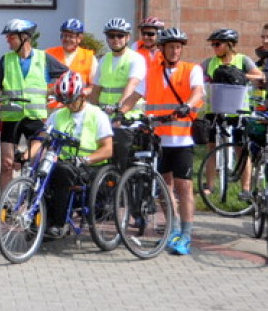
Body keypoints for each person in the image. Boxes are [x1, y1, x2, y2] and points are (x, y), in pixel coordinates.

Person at [121, 27, 205, 256]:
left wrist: (188, 104)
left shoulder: (191, 70)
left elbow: (198, 92)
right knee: (163, 189)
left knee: (184, 187)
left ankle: (186, 234)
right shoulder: (152, 73)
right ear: (163, 49)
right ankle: (173, 228)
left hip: (182, 140)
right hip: (158, 141)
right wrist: (120, 112)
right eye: (171, 47)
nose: (175, 51)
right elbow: (134, 96)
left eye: (178, 47)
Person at [0, 19, 68, 190]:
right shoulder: (5, 60)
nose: (7, 40)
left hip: (35, 117)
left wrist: (52, 91)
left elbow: (68, 76)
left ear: (24, 37)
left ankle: (34, 202)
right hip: (11, 117)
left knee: (37, 161)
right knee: (7, 164)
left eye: (11, 37)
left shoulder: (43, 58)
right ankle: (5, 206)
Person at [34, 71, 114, 238]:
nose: (68, 105)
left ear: (81, 95)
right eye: (64, 101)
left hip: (91, 167)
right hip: (66, 163)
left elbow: (107, 149)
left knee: (62, 172)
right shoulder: (58, 115)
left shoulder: (97, 115)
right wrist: (27, 155)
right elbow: (41, 137)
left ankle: (59, 223)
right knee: (40, 171)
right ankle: (39, 221)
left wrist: (85, 159)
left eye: (71, 100)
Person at [200, 28, 261, 200]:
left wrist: (242, 75)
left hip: (238, 111)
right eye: (212, 44)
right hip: (215, 111)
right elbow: (196, 75)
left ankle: (246, 188)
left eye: (217, 44)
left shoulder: (243, 60)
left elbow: (259, 76)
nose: (214, 47)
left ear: (230, 45)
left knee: (241, 149)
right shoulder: (209, 62)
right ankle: (209, 186)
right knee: (211, 148)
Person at [89, 18, 146, 119]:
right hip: (106, 117)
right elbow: (96, 91)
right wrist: (93, 114)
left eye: (120, 35)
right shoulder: (104, 60)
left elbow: (131, 87)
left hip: (128, 117)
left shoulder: (136, 59)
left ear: (128, 37)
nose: (115, 39)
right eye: (111, 36)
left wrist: (119, 109)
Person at [44, 18, 97, 107]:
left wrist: (84, 92)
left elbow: (95, 85)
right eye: (65, 36)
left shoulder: (89, 57)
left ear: (79, 38)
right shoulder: (49, 54)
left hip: (77, 106)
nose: (67, 39)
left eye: (71, 36)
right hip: (53, 107)